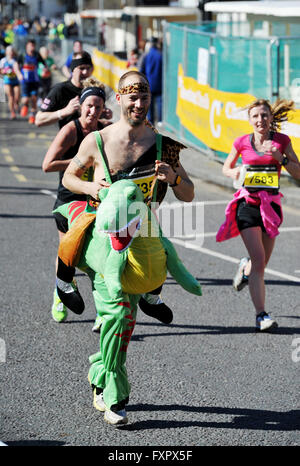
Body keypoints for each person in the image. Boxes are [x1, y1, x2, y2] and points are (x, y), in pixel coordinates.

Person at [56, 70, 194, 425]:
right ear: (119, 99)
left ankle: (100, 369)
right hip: (108, 245)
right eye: (132, 97)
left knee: (125, 324)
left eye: (144, 96)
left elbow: (189, 193)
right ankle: (112, 393)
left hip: (144, 244)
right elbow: (70, 176)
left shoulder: (163, 145)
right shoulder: (98, 141)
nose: (138, 103)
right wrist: (92, 188)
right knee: (117, 315)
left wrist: (174, 178)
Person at [216, 99, 300, 332]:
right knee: (260, 259)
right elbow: (226, 167)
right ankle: (261, 315)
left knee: (260, 263)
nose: (260, 120)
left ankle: (245, 268)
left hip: (271, 206)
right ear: (249, 119)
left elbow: (298, 172)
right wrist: (236, 172)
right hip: (247, 204)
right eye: (256, 116)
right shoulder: (242, 142)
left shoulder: (282, 142)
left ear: (271, 118)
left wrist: (280, 158)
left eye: (264, 115)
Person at [42, 79, 108, 327]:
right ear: (81, 105)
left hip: (94, 200)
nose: (93, 111)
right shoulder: (71, 130)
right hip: (68, 200)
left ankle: (103, 311)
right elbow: (47, 164)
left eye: (98, 107)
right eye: (90, 105)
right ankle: (60, 293)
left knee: (98, 257)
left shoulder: (104, 131)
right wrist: (81, 162)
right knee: (67, 252)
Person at [35, 50, 112, 129]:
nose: (85, 72)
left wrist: (104, 113)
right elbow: (39, 120)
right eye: (81, 68)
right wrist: (64, 112)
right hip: (70, 138)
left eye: (88, 68)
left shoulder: (95, 90)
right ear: (73, 70)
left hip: (92, 139)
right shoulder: (60, 90)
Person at [18, 38, 48, 124]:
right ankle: (25, 105)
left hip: (35, 81)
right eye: (30, 45)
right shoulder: (22, 55)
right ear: (27, 46)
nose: (32, 47)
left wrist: (45, 70)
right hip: (25, 81)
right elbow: (16, 65)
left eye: (33, 45)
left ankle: (32, 116)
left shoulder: (37, 55)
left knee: (34, 98)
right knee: (25, 99)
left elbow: (44, 64)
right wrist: (19, 74)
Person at [140, 37, 162, 124]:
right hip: (159, 83)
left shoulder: (146, 55)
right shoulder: (160, 55)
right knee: (160, 102)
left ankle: (150, 120)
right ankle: (160, 120)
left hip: (148, 83)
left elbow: (141, 69)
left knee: (149, 102)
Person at [0, 45, 23, 119]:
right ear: (6, 52)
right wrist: (4, 71)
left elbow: (16, 69)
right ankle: (12, 112)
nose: (10, 53)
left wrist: (19, 75)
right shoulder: (3, 60)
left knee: (17, 96)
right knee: (11, 97)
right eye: (9, 52)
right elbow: (1, 70)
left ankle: (16, 103)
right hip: (7, 81)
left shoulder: (15, 60)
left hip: (15, 81)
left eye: (12, 51)